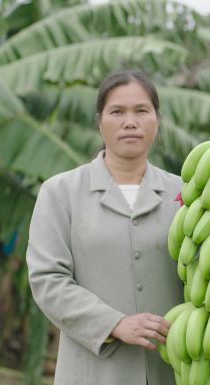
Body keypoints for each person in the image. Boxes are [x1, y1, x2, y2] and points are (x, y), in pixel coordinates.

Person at [26, 70, 183, 385]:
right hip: (93, 371)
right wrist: (114, 323)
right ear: (99, 122)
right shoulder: (61, 192)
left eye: (141, 111)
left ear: (157, 119)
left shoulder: (186, 194)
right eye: (117, 112)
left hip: (171, 368)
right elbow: (48, 280)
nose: (130, 122)